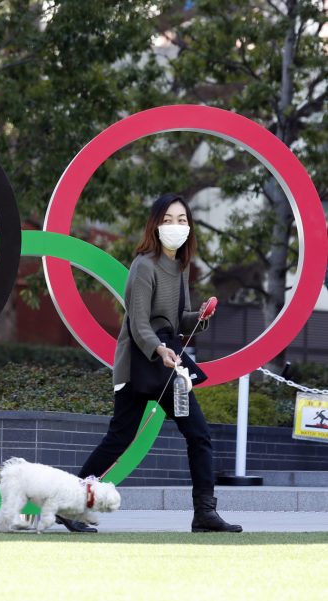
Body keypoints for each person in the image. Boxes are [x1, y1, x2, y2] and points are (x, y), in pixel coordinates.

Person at [57, 193, 242, 534]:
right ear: (155, 226)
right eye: (168, 220)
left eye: (182, 220)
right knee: (118, 440)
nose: (176, 226)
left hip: (169, 362)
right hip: (139, 363)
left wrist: (199, 318)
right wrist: (159, 350)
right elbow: (139, 323)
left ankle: (204, 513)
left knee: (199, 435)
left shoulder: (179, 267)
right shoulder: (144, 265)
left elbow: (176, 321)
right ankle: (67, 504)